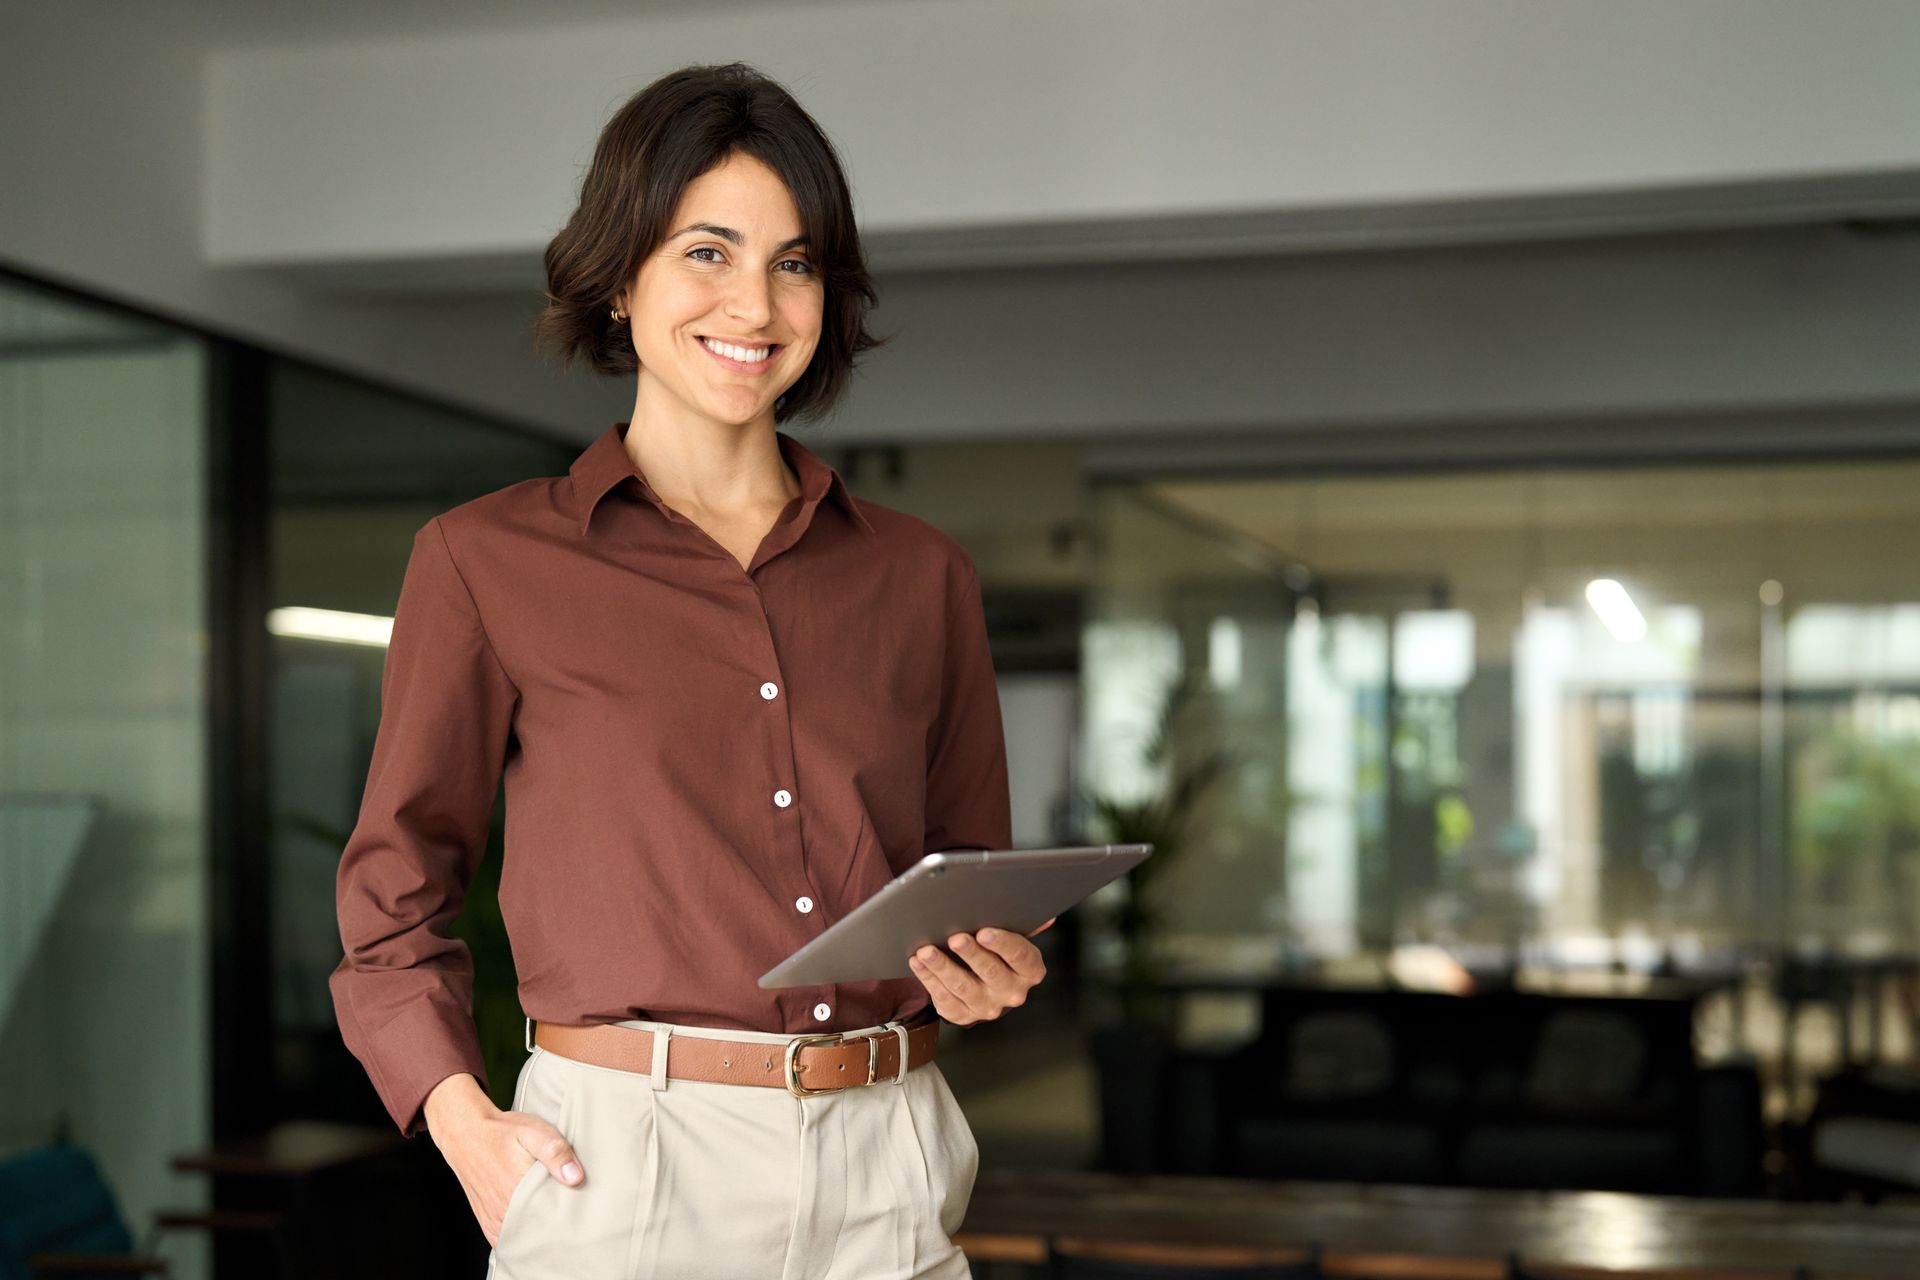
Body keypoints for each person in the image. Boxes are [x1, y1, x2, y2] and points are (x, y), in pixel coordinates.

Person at [328, 61, 1052, 1279]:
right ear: (621, 278)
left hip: (890, 1155)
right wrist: (465, 1127)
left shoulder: (922, 577)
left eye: (795, 260)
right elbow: (392, 900)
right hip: (627, 1164)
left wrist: (985, 973)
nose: (755, 302)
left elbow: (963, 889)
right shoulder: (482, 561)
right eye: (707, 251)